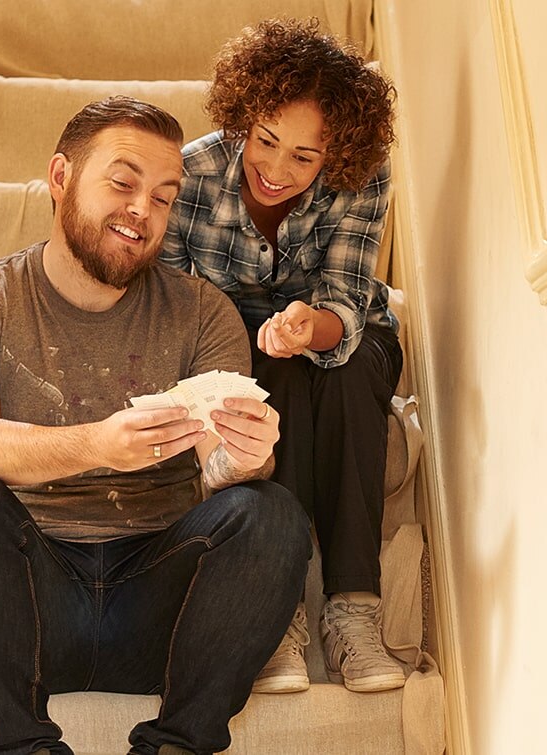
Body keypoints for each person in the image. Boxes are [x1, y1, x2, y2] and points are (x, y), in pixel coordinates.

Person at [0, 96, 310, 755]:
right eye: (123, 183)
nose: (142, 212)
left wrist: (245, 456)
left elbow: (218, 470)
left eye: (163, 196)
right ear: (61, 177)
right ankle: (24, 744)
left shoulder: (203, 311)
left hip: (160, 604)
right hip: (30, 604)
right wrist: (97, 444)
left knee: (270, 511)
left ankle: (177, 743)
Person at [160, 19, 405, 695]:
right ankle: (279, 613)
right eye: (266, 141)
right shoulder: (191, 175)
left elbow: (349, 305)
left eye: (304, 157)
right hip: (232, 342)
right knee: (267, 380)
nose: (275, 169)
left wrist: (309, 327)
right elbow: (180, 311)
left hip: (338, 332)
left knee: (350, 369)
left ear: (337, 155)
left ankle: (354, 610)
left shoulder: (365, 178)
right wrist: (255, 343)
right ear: (244, 117)